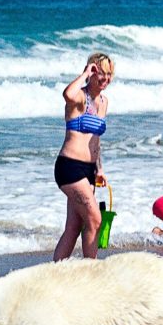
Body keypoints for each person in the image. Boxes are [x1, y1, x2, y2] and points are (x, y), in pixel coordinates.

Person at [53, 52, 114, 261]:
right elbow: (67, 94)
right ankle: (91, 272)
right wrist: (85, 74)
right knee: (95, 219)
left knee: (73, 226)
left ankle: (56, 273)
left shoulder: (104, 102)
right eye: (101, 74)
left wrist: (99, 168)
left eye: (109, 75)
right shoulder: (80, 97)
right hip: (69, 168)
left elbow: (95, 141)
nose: (105, 79)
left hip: (89, 171)